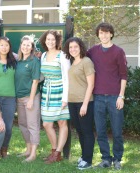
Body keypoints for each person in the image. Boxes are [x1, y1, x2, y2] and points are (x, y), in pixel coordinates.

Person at [87, 22, 128, 170]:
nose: (103, 35)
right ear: (98, 34)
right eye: (101, 33)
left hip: (114, 97)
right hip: (97, 97)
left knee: (117, 131)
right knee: (101, 130)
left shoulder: (118, 52)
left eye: (106, 32)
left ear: (111, 34)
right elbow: (78, 58)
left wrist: (121, 96)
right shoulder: (92, 51)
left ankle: (117, 159)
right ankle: (105, 159)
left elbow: (124, 76)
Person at [63, 37, 95, 170]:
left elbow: (91, 84)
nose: (73, 49)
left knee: (87, 132)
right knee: (80, 131)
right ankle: (84, 156)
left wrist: (85, 104)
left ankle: (88, 160)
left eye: (75, 47)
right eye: (70, 47)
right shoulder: (72, 62)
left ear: (80, 47)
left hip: (83, 102)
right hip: (72, 102)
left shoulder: (86, 62)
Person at [39, 30, 70, 164]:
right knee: (46, 124)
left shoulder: (62, 55)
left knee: (62, 122)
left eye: (53, 39)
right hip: (47, 92)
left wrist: (65, 98)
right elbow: (42, 76)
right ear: (44, 41)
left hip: (60, 91)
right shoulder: (43, 55)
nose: (50, 42)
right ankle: (54, 150)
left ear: (57, 41)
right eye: (48, 39)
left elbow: (67, 78)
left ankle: (57, 153)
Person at [15, 35, 41, 162]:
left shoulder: (34, 61)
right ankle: (28, 149)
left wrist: (31, 100)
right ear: (21, 46)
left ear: (32, 48)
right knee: (22, 124)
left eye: (28, 45)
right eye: (23, 44)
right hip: (19, 98)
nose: (25, 47)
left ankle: (34, 154)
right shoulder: (18, 61)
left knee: (32, 125)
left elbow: (35, 81)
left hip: (31, 97)